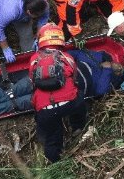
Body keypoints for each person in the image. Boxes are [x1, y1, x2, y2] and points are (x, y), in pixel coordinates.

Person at [29, 23, 87, 163]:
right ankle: (78, 127)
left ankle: (54, 162)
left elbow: (32, 81)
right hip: (69, 103)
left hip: (45, 110)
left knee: (52, 138)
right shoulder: (66, 57)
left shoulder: (34, 59)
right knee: (80, 101)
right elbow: (75, 79)